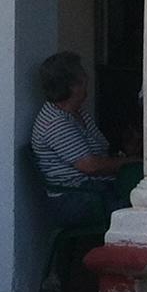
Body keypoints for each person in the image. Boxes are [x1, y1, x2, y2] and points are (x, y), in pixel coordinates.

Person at [30, 50, 128, 230]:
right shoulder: (55, 121)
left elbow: (101, 149)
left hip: (93, 190)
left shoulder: (77, 113)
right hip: (75, 199)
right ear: (72, 85)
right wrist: (130, 162)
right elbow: (90, 166)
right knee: (134, 208)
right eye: (82, 77)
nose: (86, 80)